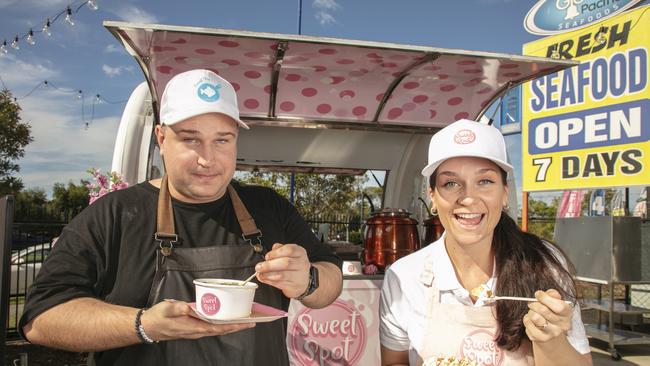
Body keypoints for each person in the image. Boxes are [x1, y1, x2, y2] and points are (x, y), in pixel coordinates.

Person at [19, 69, 343, 365]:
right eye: (190, 139)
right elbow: (42, 318)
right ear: (162, 139)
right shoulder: (115, 215)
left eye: (222, 140)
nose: (208, 159)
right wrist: (143, 325)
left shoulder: (269, 207)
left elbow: (331, 280)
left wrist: (308, 280)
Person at [379, 119, 592, 366]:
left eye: (485, 181)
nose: (468, 198)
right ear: (433, 198)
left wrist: (550, 340)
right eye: (451, 183)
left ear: (504, 193)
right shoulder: (404, 277)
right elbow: (394, 361)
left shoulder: (544, 262)